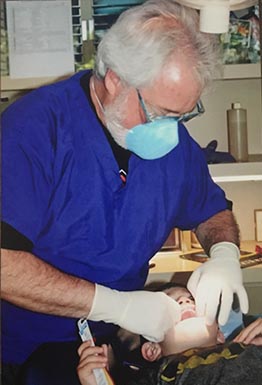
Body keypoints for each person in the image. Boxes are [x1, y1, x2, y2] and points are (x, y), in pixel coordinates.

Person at [1, 0, 248, 384]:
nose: (173, 129)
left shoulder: (173, 143)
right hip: (25, 351)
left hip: (114, 347)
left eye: (185, 114)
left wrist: (225, 254)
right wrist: (115, 305)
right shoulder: (35, 130)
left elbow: (210, 210)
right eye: (161, 113)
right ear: (114, 78)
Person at [76, 285, 262, 385]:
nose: (185, 300)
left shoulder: (248, 347)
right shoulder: (161, 375)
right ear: (152, 350)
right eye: (169, 307)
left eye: (193, 300)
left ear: (219, 334)